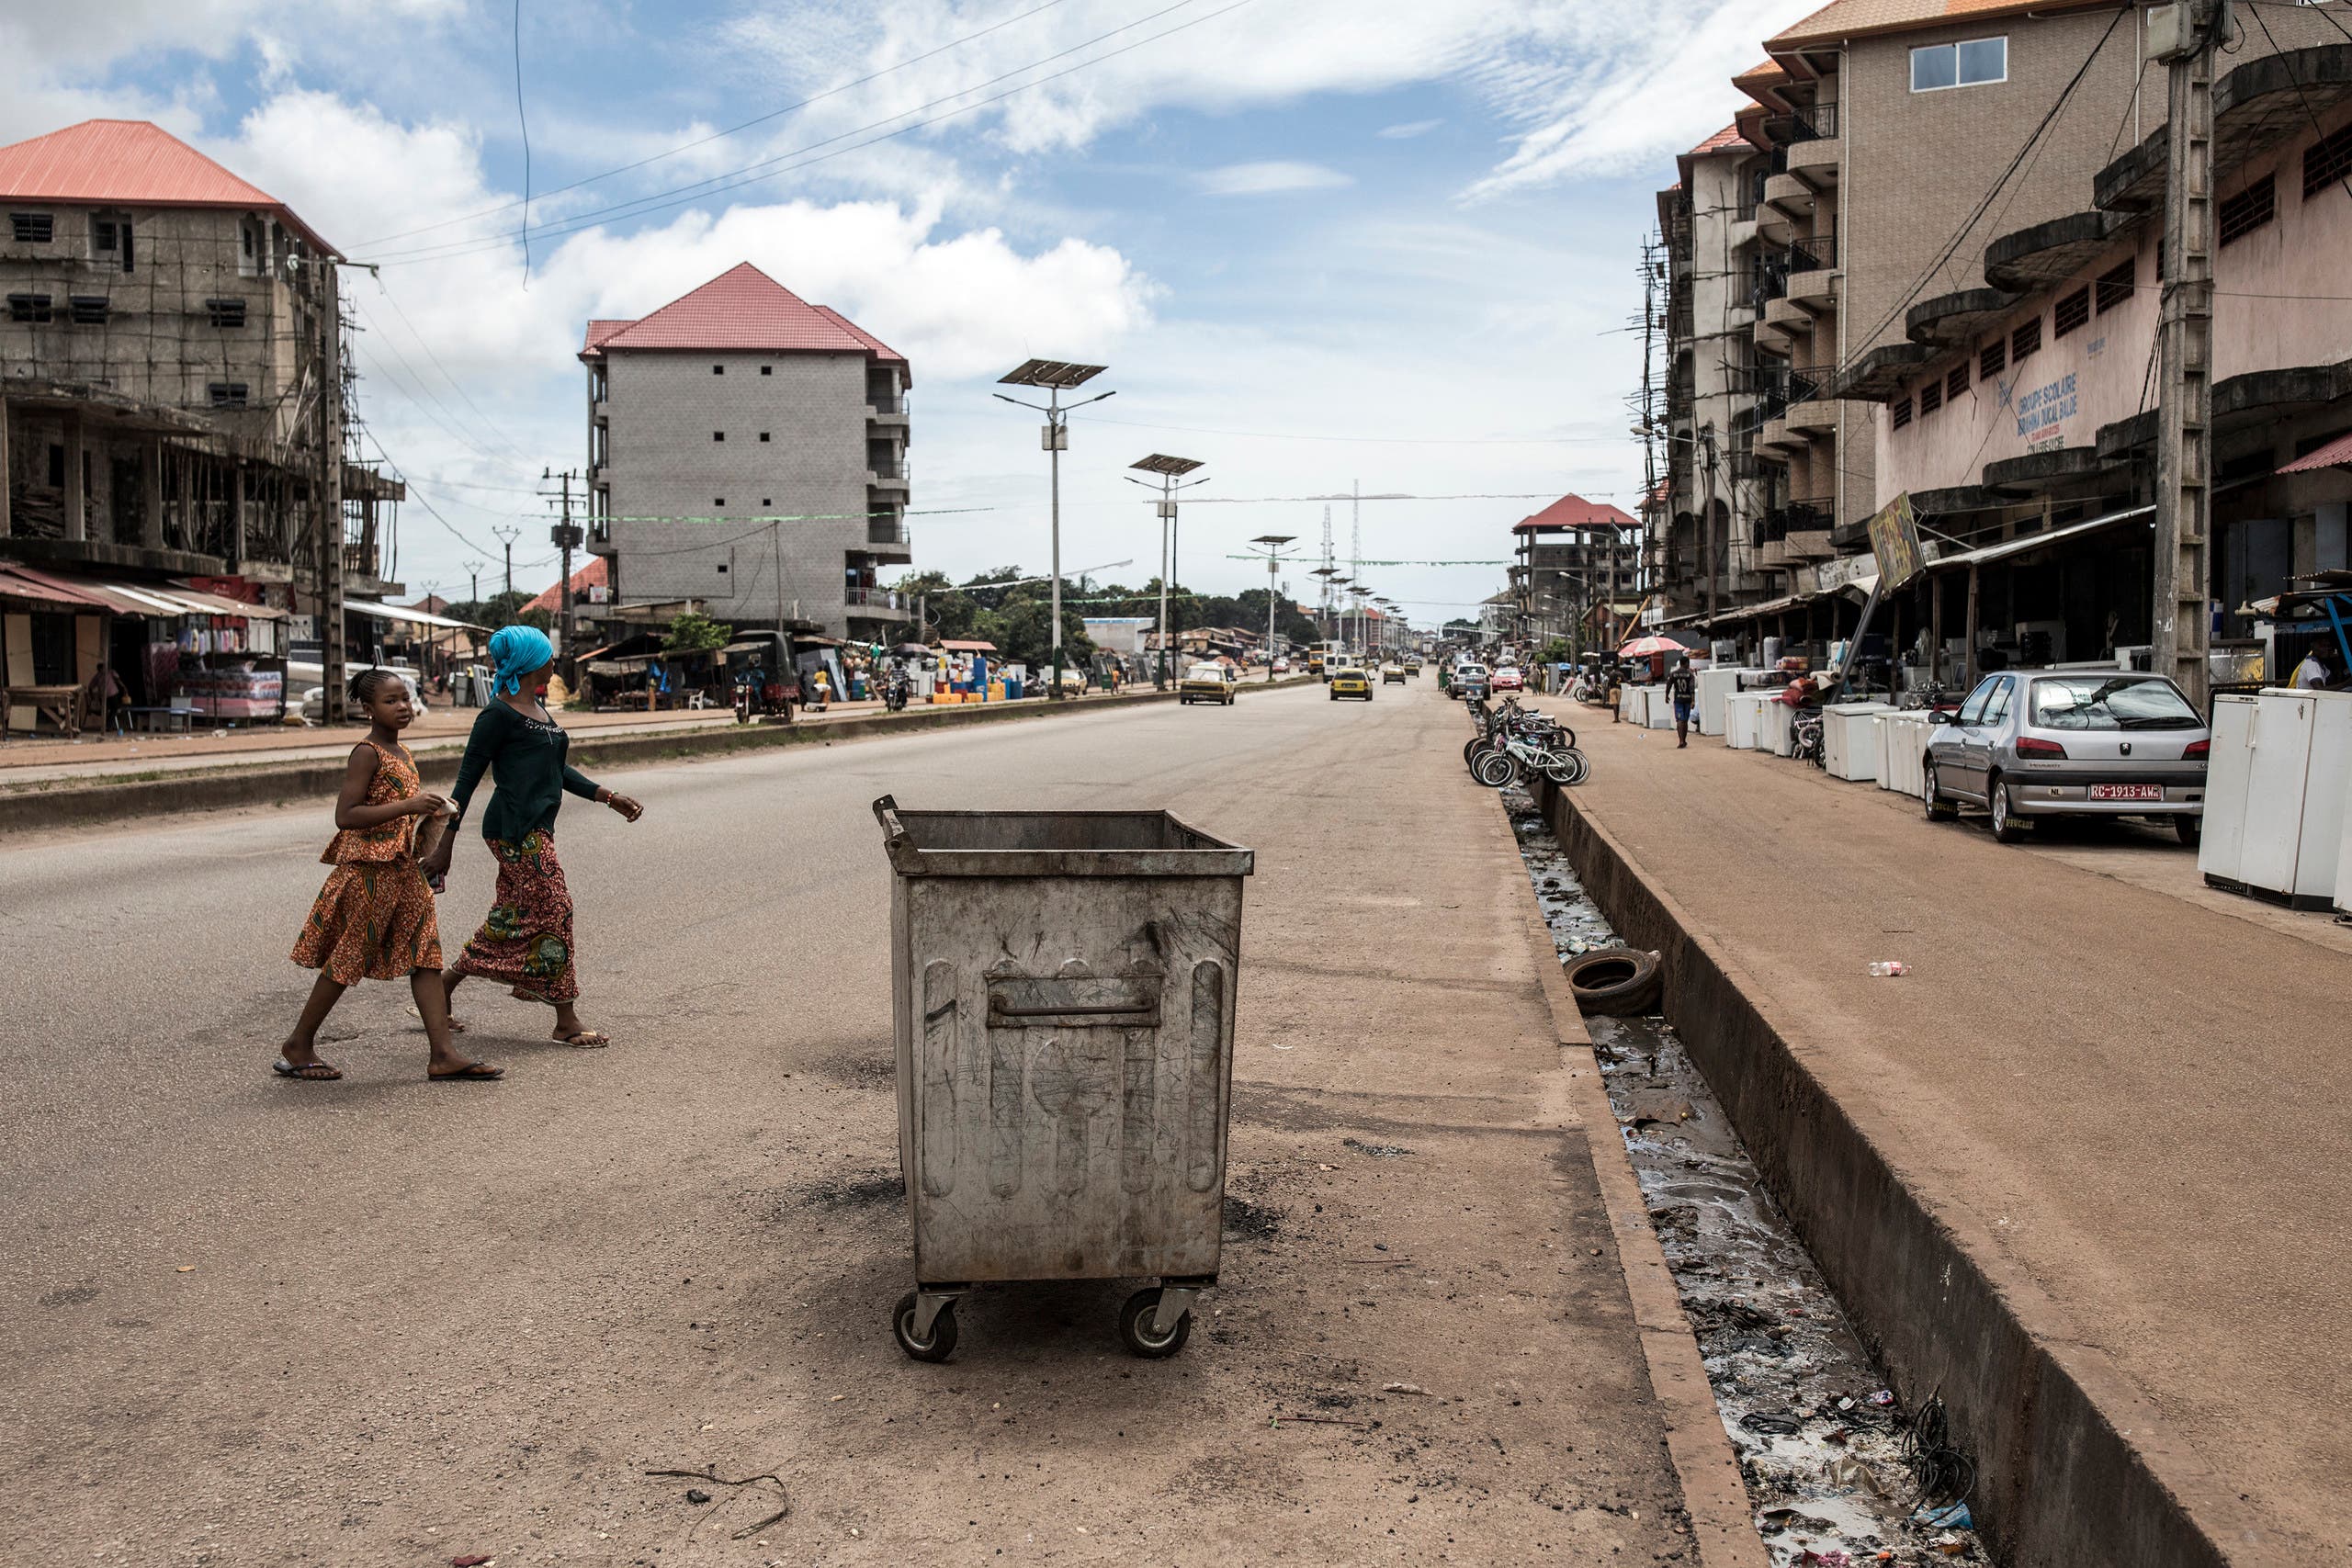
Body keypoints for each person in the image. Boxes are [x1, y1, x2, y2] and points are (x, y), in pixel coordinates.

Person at [423, 626, 643, 1050]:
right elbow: (466, 781)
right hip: (514, 831)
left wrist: (607, 796)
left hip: (537, 828)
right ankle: (566, 1019)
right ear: (529, 663)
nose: (554, 661)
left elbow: (555, 771)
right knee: (556, 909)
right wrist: (445, 842)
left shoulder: (537, 709)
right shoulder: (497, 715)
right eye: (548, 656)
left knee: (508, 918)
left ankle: (444, 989)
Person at [278, 669, 497, 1082]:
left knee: (425, 955)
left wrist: (427, 811)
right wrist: (409, 805)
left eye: (405, 699)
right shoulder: (367, 752)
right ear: (367, 709)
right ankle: (298, 1044)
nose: (402, 707)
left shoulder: (401, 751)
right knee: (348, 957)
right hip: (369, 872)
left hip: (402, 869)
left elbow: (400, 806)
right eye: (390, 701)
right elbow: (346, 815)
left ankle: (443, 1055)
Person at [1668, 655, 1699, 748]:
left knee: (1679, 720)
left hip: (1678, 700)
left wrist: (1666, 696)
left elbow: (1668, 685)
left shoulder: (1673, 674)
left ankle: (1681, 740)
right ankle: (1683, 740)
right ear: (1686, 663)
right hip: (1687, 700)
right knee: (1684, 720)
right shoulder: (1690, 675)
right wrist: (1693, 701)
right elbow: (1692, 688)